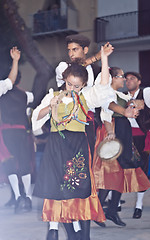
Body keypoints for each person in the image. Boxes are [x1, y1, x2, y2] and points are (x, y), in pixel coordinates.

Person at [32, 44, 115, 240]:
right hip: (56, 146)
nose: (72, 89)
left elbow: (103, 88)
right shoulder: (52, 96)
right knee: (56, 187)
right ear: (64, 81)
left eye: (77, 86)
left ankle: (79, 231)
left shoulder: (86, 97)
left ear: (83, 85)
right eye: (69, 84)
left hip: (77, 147)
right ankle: (61, 230)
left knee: (78, 188)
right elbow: (36, 116)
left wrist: (103, 58)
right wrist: (49, 107)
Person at [92, 67, 150, 227]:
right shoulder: (107, 95)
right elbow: (106, 114)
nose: (124, 79)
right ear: (111, 78)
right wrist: (111, 133)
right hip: (114, 132)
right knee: (113, 173)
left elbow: (140, 103)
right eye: (121, 76)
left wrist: (133, 103)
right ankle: (99, 210)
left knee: (121, 171)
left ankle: (109, 210)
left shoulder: (121, 95)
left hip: (123, 132)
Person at [56, 34, 102, 159]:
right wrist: (97, 56)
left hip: (89, 120)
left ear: (85, 50)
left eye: (74, 49)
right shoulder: (63, 67)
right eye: (69, 50)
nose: (71, 54)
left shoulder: (96, 70)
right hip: (67, 119)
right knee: (67, 159)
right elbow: (75, 71)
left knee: (88, 157)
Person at [125, 71, 150, 218]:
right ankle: (115, 202)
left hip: (141, 137)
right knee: (121, 168)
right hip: (125, 137)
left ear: (139, 81)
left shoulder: (145, 93)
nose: (128, 81)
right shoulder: (122, 96)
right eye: (126, 79)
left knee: (142, 170)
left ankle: (139, 205)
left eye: (132, 79)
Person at [0, 70, 34, 214]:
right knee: (25, 162)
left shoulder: (2, 93)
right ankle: (28, 198)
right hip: (21, 132)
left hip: (6, 131)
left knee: (10, 163)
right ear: (19, 80)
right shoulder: (26, 95)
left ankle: (19, 197)